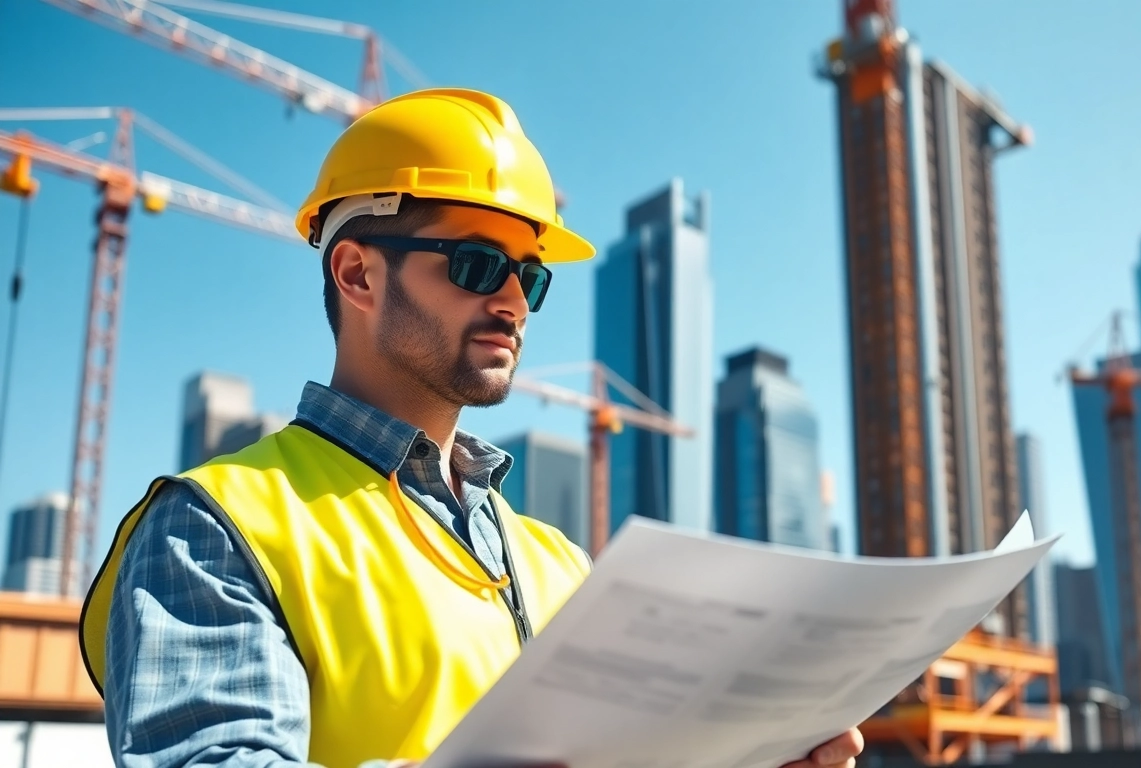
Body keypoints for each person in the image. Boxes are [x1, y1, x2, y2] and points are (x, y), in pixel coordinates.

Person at [79, 89, 865, 768]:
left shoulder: (563, 566)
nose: (514, 303)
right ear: (356, 273)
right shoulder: (217, 526)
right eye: (478, 264)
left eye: (530, 276)